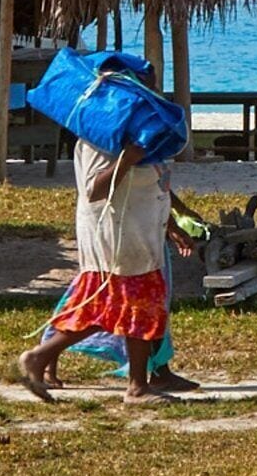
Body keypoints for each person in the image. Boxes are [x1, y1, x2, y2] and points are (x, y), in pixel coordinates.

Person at [15, 126, 199, 401]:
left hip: (140, 236)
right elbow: (94, 189)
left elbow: (154, 186)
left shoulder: (137, 136)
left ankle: (42, 357)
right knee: (131, 307)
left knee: (115, 310)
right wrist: (126, 159)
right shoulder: (99, 141)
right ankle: (137, 387)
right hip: (117, 239)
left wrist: (172, 224)